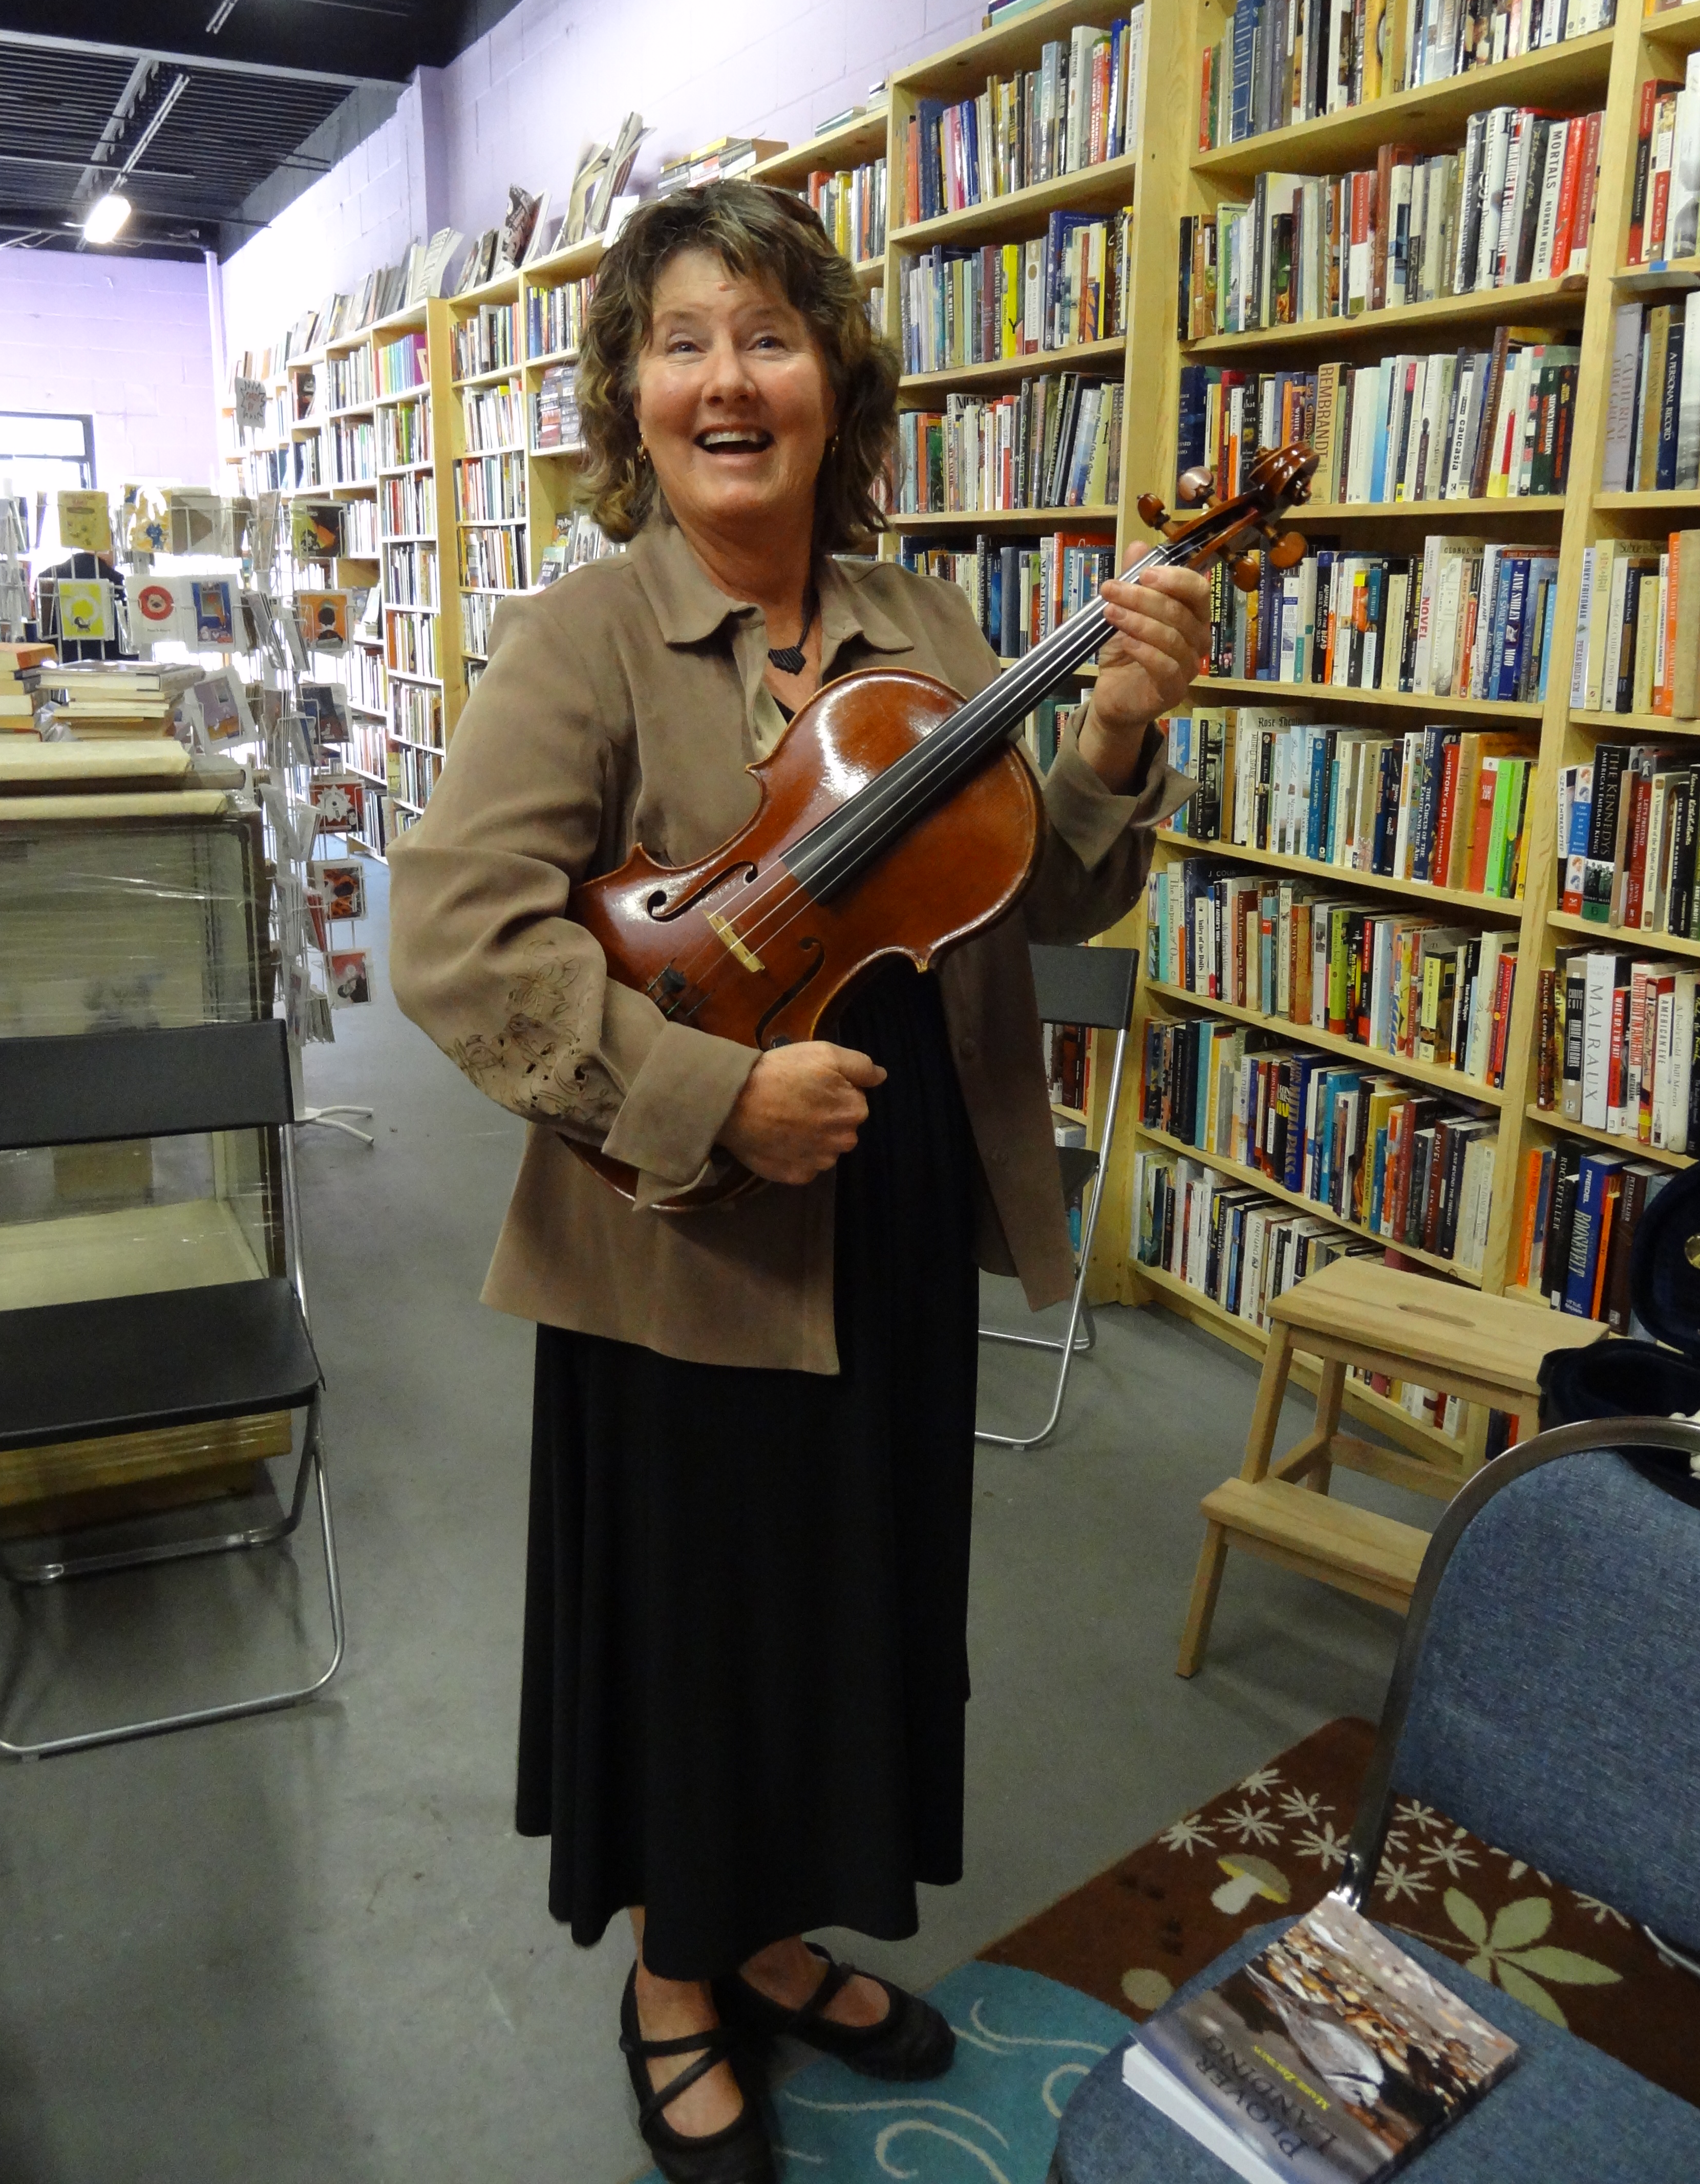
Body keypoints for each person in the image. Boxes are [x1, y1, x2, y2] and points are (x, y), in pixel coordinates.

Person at [388, 179, 1209, 2184]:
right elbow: (458, 940)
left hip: (892, 1188)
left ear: (837, 381)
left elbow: (1033, 890)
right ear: (632, 395)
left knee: (854, 1608)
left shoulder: (925, 626)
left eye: (769, 335)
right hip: (682, 1221)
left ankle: (769, 1937)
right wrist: (706, 1097)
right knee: (702, 1629)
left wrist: (1113, 732)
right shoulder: (584, 636)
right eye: (683, 343)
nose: (728, 380)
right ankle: (675, 1978)